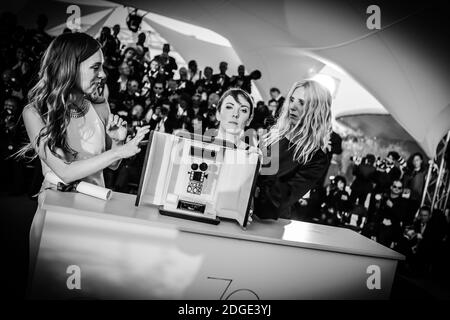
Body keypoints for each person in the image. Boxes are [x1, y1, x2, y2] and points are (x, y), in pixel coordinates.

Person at [18, 33, 150, 269]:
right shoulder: (35, 112)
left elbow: (111, 166)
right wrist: (119, 152)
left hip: (96, 211)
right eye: (95, 67)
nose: (103, 74)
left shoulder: (99, 105)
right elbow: (65, 173)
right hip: (56, 213)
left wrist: (117, 143)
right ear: (70, 67)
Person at [254, 80, 332, 220]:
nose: (292, 107)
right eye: (291, 100)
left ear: (316, 109)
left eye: (302, 103)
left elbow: (282, 198)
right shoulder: (274, 133)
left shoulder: (316, 157)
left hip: (268, 221)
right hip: (241, 208)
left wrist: (259, 170)